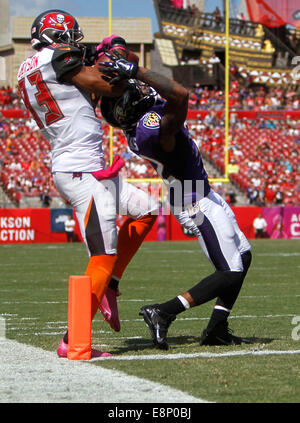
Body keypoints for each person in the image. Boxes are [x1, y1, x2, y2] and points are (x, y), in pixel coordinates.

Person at [17, 10, 158, 358]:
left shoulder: (32, 66)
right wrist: (125, 76)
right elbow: (103, 85)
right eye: (69, 37)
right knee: (101, 256)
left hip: (87, 168)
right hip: (81, 171)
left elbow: (81, 84)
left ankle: (110, 283)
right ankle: (73, 341)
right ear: (56, 35)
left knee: (148, 210)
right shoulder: (56, 58)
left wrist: (110, 58)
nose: (73, 44)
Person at [99, 48, 253, 349]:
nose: (140, 88)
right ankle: (164, 311)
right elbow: (181, 95)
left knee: (244, 257)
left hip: (199, 191)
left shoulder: (141, 120)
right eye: (134, 89)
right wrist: (136, 71)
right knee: (229, 270)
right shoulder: (149, 130)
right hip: (192, 198)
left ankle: (217, 328)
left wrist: (115, 53)